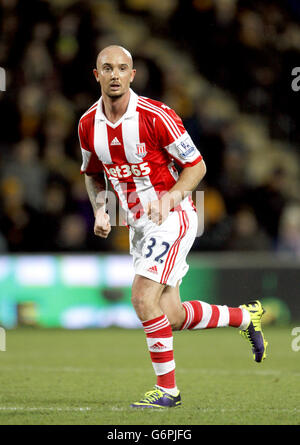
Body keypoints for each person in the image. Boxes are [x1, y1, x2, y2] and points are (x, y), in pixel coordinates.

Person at [78, 45, 268, 409]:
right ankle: (246, 316)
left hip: (172, 216)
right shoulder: (88, 124)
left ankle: (168, 391)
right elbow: (91, 175)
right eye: (107, 68)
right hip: (136, 225)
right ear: (96, 75)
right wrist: (102, 210)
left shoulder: (156, 115)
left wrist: (167, 200)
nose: (115, 75)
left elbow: (196, 167)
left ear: (132, 75)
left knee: (141, 298)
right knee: (172, 316)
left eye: (122, 68)